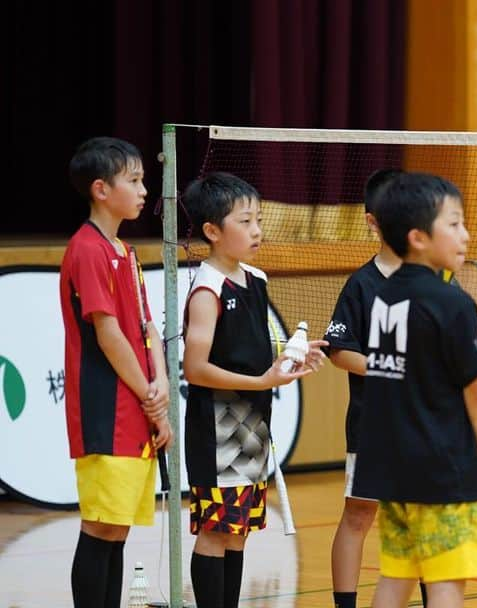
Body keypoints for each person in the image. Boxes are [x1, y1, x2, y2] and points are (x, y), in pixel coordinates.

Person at [182, 172, 327, 608]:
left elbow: (253, 349)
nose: (257, 230)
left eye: (258, 219)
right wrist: (261, 382)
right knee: (216, 529)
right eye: (245, 221)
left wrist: (294, 355)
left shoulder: (255, 280)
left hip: (252, 423)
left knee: (238, 531)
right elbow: (196, 368)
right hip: (216, 424)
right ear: (212, 231)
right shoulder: (208, 288)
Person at [355, 172, 477, 608]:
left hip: (391, 466)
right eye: (453, 224)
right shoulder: (452, 303)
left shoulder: (383, 295)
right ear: (417, 237)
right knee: (447, 582)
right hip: (443, 469)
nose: (465, 235)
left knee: (396, 578)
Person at [61, 136, 172, 608]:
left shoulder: (125, 253)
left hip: (139, 402)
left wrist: (162, 385)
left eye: (144, 179)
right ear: (101, 189)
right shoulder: (86, 249)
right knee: (101, 524)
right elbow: (108, 334)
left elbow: (147, 326)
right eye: (135, 180)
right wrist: (148, 392)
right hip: (106, 406)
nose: (145, 189)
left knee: (119, 527)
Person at [324, 168, 410, 608]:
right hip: (374, 424)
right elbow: (340, 350)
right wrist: (391, 368)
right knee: (359, 513)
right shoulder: (361, 284)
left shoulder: (432, 280)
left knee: (421, 520)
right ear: (372, 221)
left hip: (423, 427)